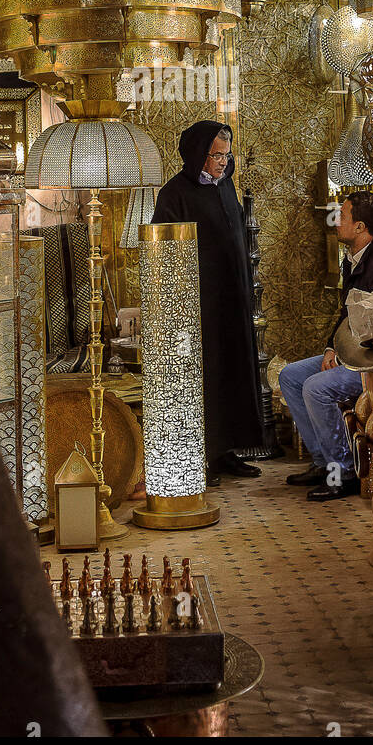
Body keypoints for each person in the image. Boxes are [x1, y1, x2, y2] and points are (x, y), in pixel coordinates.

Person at [280, 191, 373, 501]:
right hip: (353, 353)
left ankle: (344, 473)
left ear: (360, 227)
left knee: (316, 387)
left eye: (343, 215)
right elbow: (348, 315)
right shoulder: (355, 258)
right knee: (290, 376)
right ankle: (322, 464)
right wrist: (332, 349)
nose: (336, 219)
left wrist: (346, 357)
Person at [151, 120, 264, 486]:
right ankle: (205, 456)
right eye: (215, 155)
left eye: (226, 154)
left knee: (234, 370)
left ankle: (229, 451)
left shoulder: (227, 185)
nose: (221, 161)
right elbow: (164, 251)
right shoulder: (174, 194)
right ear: (198, 153)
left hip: (233, 298)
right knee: (208, 376)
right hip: (200, 306)